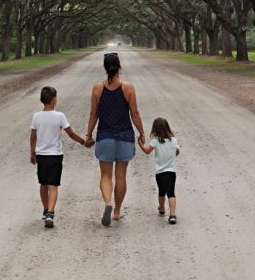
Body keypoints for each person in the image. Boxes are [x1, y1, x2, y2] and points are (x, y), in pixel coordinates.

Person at [85, 51, 145, 226]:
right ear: (119, 67)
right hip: (125, 135)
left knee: (105, 175)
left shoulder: (97, 88)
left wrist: (88, 135)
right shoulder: (128, 88)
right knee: (121, 176)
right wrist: (141, 132)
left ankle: (107, 203)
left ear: (105, 68)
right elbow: (134, 113)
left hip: (105, 136)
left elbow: (93, 114)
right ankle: (117, 211)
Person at [29, 85, 87, 228]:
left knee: (43, 184)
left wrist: (32, 153)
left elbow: (33, 137)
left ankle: (45, 209)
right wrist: (83, 142)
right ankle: (51, 212)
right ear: (54, 100)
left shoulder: (36, 116)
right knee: (53, 185)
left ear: (42, 100)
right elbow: (71, 133)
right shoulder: (60, 116)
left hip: (41, 155)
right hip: (55, 155)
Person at [137, 117, 180, 224]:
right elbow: (177, 151)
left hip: (160, 172)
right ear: (167, 128)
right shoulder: (174, 140)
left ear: (155, 129)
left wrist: (140, 144)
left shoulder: (155, 141)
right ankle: (173, 214)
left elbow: (147, 151)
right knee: (171, 193)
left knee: (161, 191)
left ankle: (161, 208)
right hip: (171, 171)